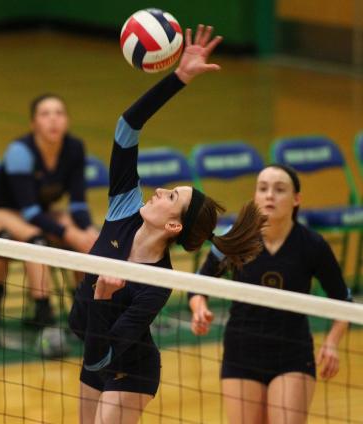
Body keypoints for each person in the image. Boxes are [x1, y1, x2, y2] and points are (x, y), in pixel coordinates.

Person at [67, 25, 266, 424]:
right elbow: (127, 127)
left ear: (174, 226)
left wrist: (103, 299)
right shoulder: (123, 208)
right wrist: (179, 78)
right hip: (92, 354)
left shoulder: (158, 282)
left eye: (171, 197)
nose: (158, 192)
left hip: (130, 369)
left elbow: (107, 353)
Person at [189, 164, 351, 424]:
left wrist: (332, 342)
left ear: (296, 199)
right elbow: (197, 287)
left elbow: (343, 302)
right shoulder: (236, 239)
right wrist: (199, 309)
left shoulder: (313, 246)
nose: (269, 195)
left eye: (279, 189)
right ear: (255, 196)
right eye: (262, 189)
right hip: (241, 352)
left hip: (292, 355)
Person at [0, 92, 99, 347]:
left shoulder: (74, 148)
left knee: (86, 239)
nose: (53, 120)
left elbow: (77, 204)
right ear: (33, 124)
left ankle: (85, 316)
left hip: (35, 212)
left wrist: (87, 231)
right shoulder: (20, 151)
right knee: (37, 242)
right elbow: (30, 211)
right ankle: (42, 318)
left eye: (59, 113)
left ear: (67, 121)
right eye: (45, 114)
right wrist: (71, 234)